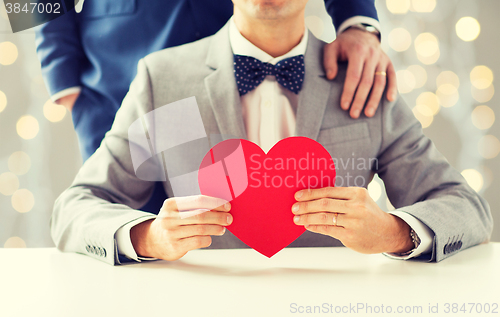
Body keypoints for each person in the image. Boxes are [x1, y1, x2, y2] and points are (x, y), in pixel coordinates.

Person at [52, 0, 492, 266]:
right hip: (115, 78)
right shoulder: (164, 85)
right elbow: (77, 209)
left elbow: (465, 208)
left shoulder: (360, 86)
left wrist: (395, 231)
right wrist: (61, 73)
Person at [35, 0, 395, 162]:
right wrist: (62, 77)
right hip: (115, 81)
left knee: (240, 232)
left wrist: (357, 21)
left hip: (241, 71)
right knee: (130, 233)